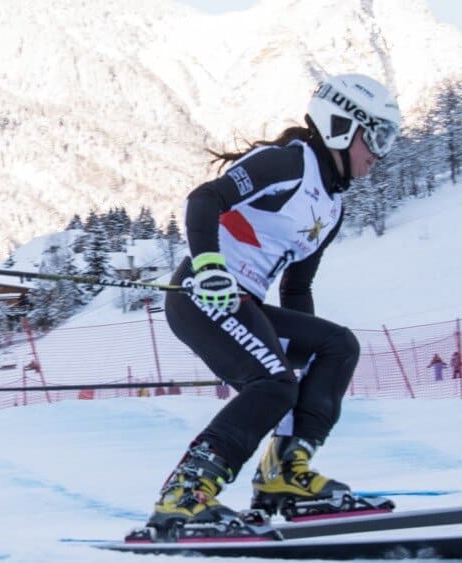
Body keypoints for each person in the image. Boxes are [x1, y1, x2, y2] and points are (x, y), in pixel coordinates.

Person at [142, 73, 401, 541]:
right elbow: (206, 198)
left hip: (246, 304)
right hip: (205, 293)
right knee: (272, 384)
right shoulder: (287, 165)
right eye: (377, 136)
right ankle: (185, 495)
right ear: (343, 126)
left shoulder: (332, 208)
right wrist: (210, 265)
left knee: (337, 345)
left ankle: (285, 470)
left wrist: (300, 358)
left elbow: (297, 291)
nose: (379, 154)